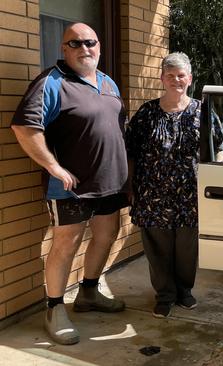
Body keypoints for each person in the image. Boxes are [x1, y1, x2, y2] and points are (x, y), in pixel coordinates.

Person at [11, 23, 128, 345]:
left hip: (110, 183)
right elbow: (24, 127)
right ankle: (54, 308)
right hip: (71, 187)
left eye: (89, 42)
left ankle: (89, 291)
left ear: (99, 47)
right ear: (64, 49)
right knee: (65, 246)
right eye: (74, 43)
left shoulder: (107, 82)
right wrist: (54, 167)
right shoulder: (51, 82)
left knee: (107, 235)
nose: (83, 48)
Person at [124, 52, 223, 318]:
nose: (176, 80)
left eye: (181, 75)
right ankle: (164, 295)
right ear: (162, 79)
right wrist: (130, 188)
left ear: (189, 79)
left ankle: (184, 291)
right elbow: (131, 151)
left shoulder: (202, 111)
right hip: (152, 194)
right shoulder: (147, 112)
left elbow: (221, 146)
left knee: (186, 248)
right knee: (157, 249)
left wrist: (215, 179)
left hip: (190, 197)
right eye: (170, 75)